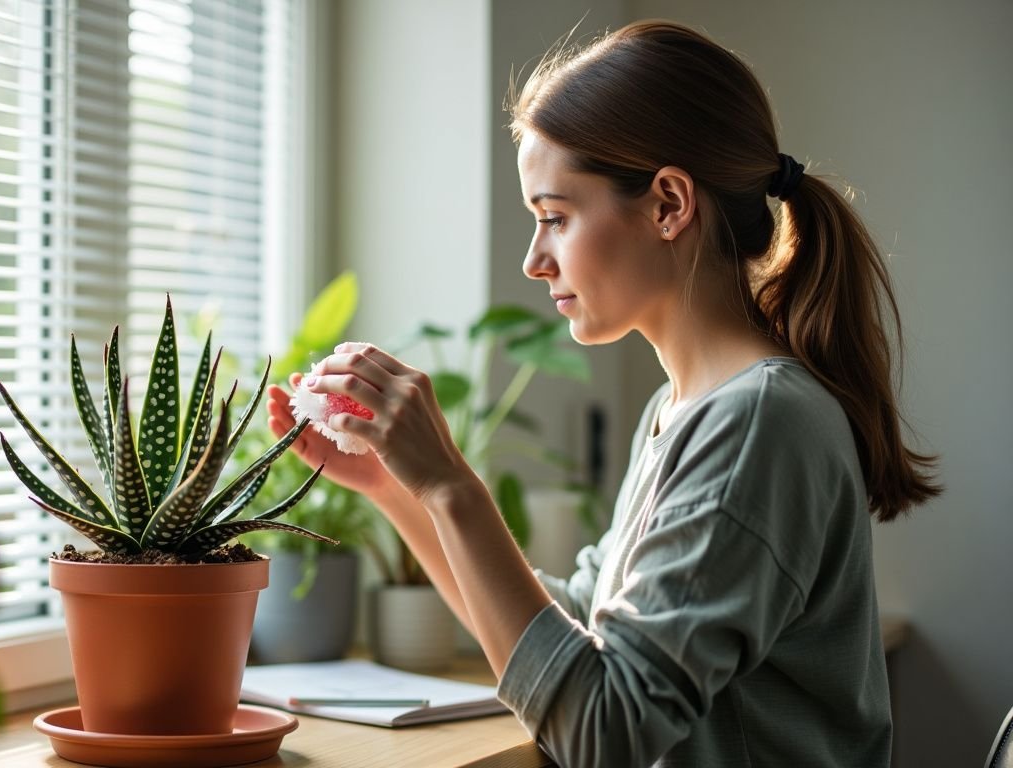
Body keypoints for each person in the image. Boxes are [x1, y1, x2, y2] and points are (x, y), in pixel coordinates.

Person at [264, 19, 941, 768]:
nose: (533, 259)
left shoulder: (759, 420)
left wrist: (451, 481)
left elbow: (604, 730)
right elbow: (572, 624)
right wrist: (398, 489)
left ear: (668, 205)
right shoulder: (681, 410)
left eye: (554, 217)